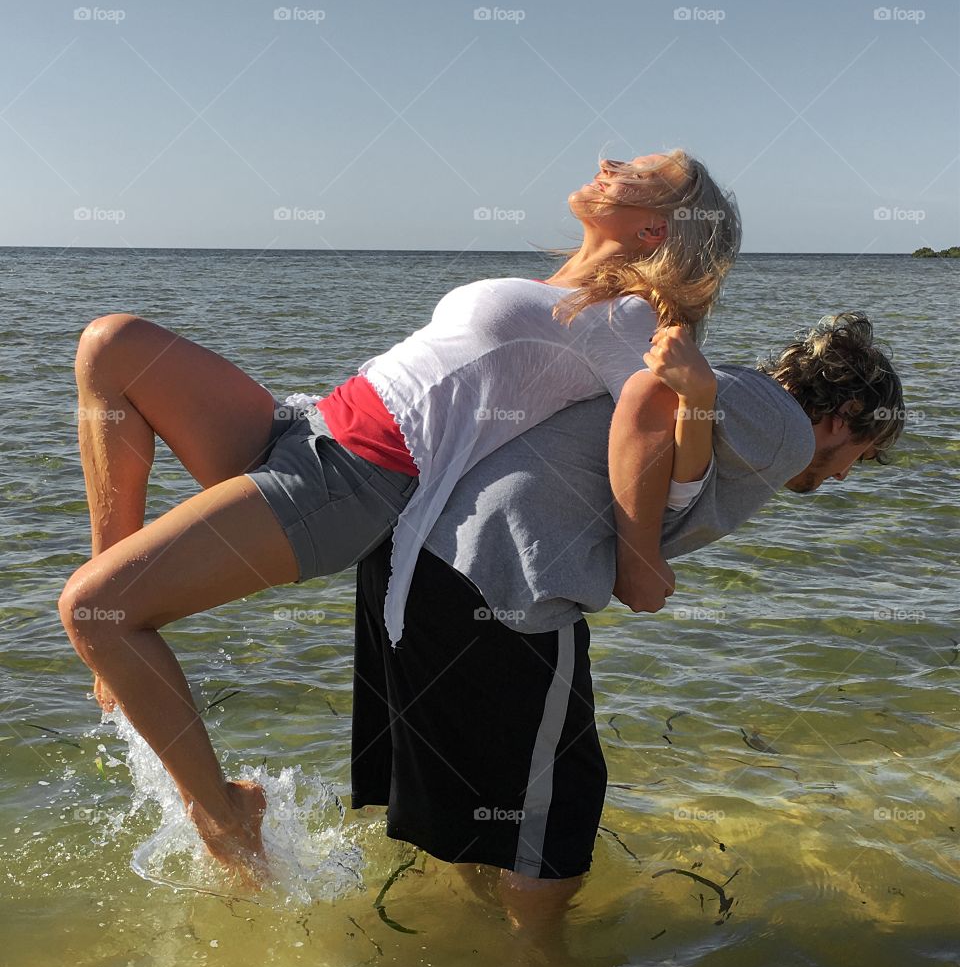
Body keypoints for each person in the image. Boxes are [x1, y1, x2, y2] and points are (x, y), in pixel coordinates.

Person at [58, 150, 739, 878]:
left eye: (646, 170)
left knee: (94, 609)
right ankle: (113, 582)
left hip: (354, 479)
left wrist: (693, 408)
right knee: (112, 343)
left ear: (654, 232)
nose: (611, 160)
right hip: (307, 425)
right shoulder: (557, 292)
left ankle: (225, 817)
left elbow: (660, 443)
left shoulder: (626, 319)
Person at [350, 313, 906, 949]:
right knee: (559, 808)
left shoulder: (742, 413)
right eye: (865, 454)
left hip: (417, 557)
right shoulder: (781, 420)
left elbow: (673, 427)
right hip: (508, 568)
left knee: (479, 791)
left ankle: (476, 956)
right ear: (846, 414)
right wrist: (639, 557)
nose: (844, 475)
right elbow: (650, 395)